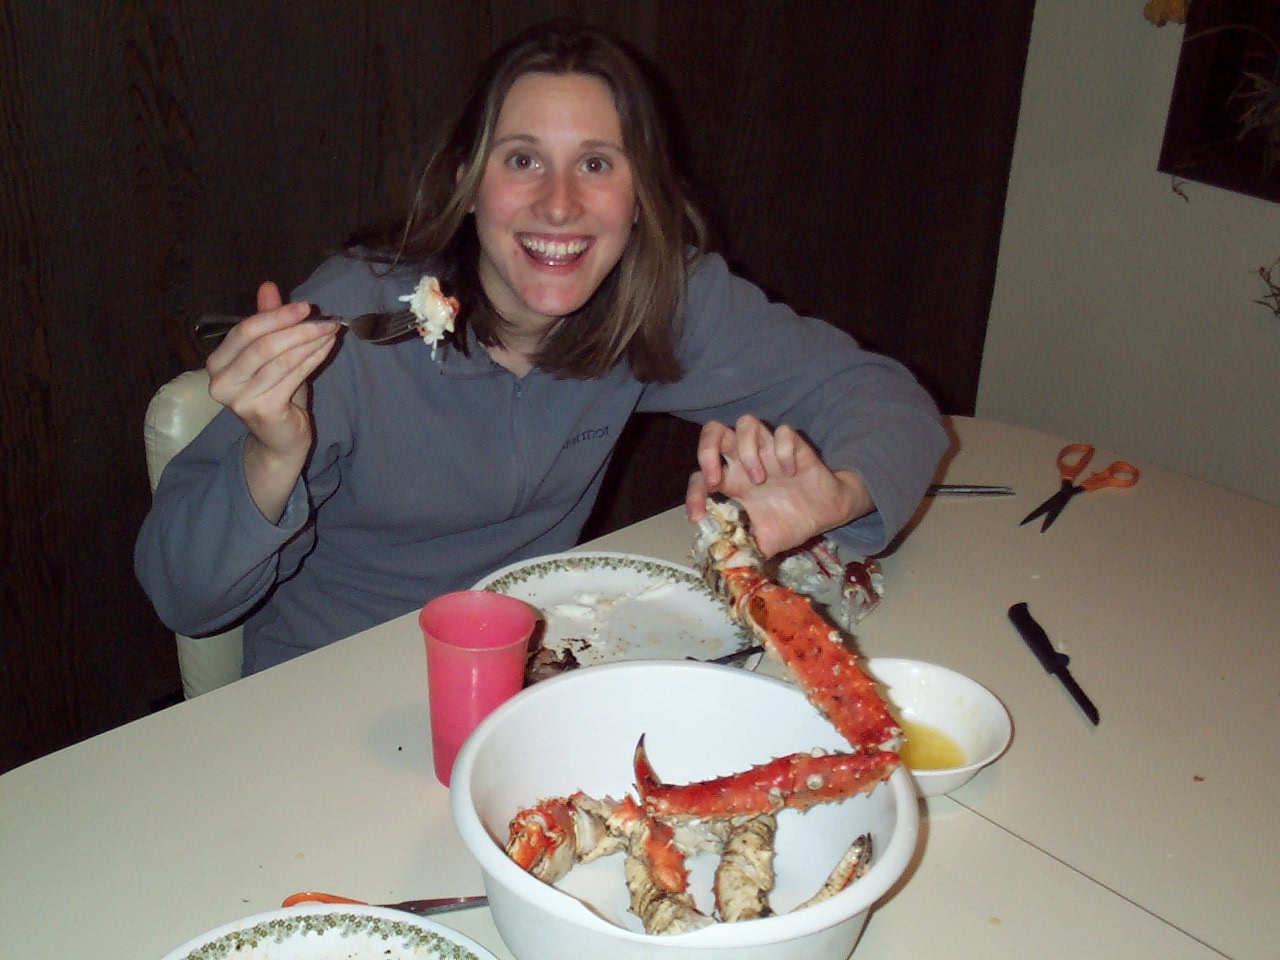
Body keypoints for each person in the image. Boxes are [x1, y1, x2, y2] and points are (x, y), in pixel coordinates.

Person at [135, 19, 947, 675]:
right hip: (331, 697)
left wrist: (837, 496)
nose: (559, 205)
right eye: (523, 160)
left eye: (596, 164)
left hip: (536, 683)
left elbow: (884, 398)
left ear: (639, 201)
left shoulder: (660, 299)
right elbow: (182, 596)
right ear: (468, 184)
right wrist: (273, 455)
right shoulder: (351, 323)